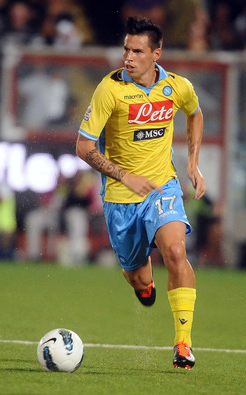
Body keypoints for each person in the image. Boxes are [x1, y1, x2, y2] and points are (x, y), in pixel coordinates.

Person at [76, 16, 206, 369]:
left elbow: (195, 114)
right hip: (121, 199)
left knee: (176, 252)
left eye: (137, 51)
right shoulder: (110, 89)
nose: (128, 57)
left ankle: (183, 344)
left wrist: (192, 163)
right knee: (138, 276)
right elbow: (83, 147)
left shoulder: (177, 86)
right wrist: (124, 176)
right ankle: (142, 284)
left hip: (162, 187)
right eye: (125, 49)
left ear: (156, 54)